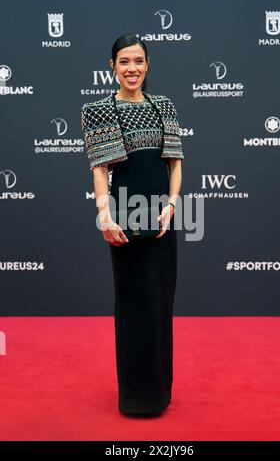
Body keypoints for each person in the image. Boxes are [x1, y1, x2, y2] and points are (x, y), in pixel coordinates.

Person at [81, 33, 184, 417]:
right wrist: (104, 217)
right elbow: (100, 171)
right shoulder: (100, 111)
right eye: (124, 62)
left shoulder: (164, 107)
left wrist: (172, 206)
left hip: (161, 220)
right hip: (124, 221)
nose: (132, 69)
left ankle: (160, 392)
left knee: (160, 304)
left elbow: (175, 162)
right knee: (132, 306)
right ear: (112, 66)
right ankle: (135, 396)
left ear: (147, 64)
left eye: (138, 61)